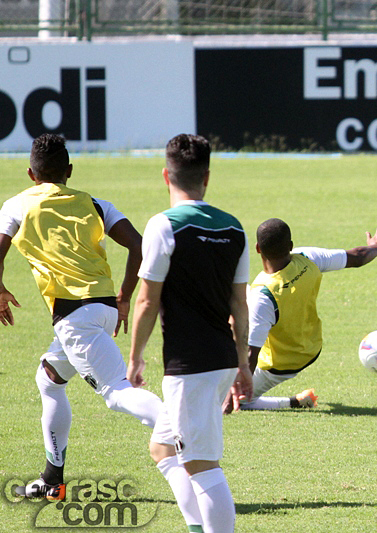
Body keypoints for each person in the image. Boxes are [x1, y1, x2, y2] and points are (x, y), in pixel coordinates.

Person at [0, 134, 162, 500]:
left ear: (30, 173)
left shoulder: (16, 205)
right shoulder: (95, 204)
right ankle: (51, 479)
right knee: (49, 378)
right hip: (102, 308)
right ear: (69, 171)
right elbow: (140, 246)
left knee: (117, 394)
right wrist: (124, 298)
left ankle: (175, 426)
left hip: (75, 318)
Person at [127, 134, 253, 533]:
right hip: (219, 362)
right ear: (207, 177)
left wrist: (135, 357)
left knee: (202, 466)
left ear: (166, 175)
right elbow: (239, 306)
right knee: (164, 449)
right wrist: (243, 363)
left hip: (189, 367)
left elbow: (146, 301)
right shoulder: (233, 228)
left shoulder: (163, 225)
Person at [224, 218, 377, 413]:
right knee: (238, 294)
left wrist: (228, 399)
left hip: (281, 365)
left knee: (237, 398)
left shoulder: (263, 298)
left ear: (258, 248)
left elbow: (251, 355)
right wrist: (375, 247)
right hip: (312, 347)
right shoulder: (307, 257)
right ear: (290, 246)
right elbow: (356, 256)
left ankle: (292, 402)